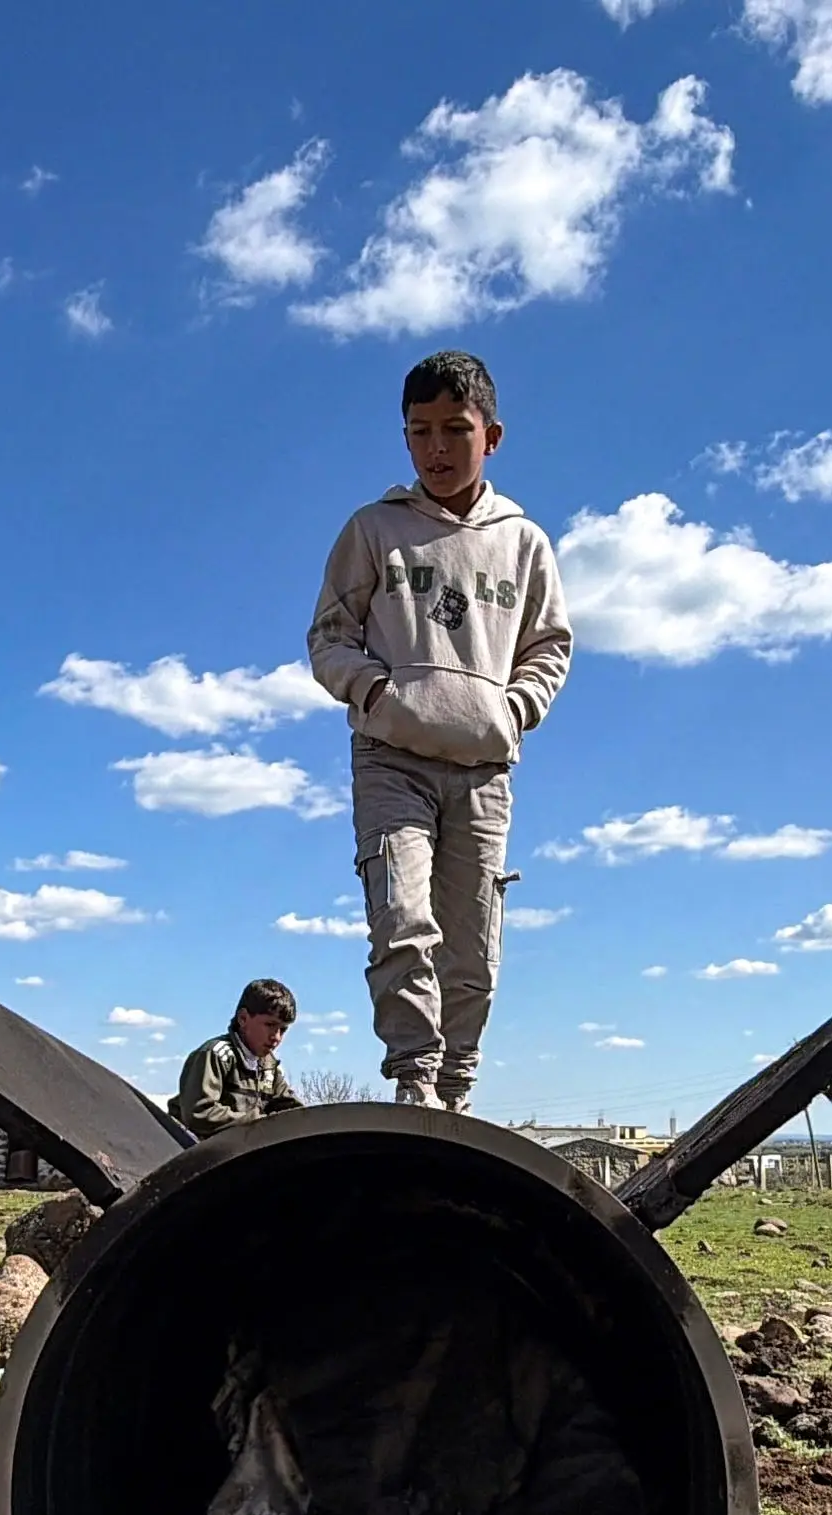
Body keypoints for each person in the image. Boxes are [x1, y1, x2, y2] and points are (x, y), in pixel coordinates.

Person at [307, 350, 572, 1112]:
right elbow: (329, 637)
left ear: (492, 434)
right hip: (392, 759)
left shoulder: (524, 542)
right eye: (419, 431)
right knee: (401, 918)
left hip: (484, 770)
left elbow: (550, 644)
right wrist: (379, 693)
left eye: (456, 429)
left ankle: (457, 1093)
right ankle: (416, 1083)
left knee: (475, 944)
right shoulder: (373, 530)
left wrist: (513, 709)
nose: (437, 448)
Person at [172, 978, 305, 1140]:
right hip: (191, 1150)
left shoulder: (268, 1067)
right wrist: (259, 1123)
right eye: (270, 1025)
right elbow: (199, 1113)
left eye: (283, 1030)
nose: (276, 1037)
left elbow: (292, 1111)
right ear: (243, 1019)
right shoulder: (217, 1055)